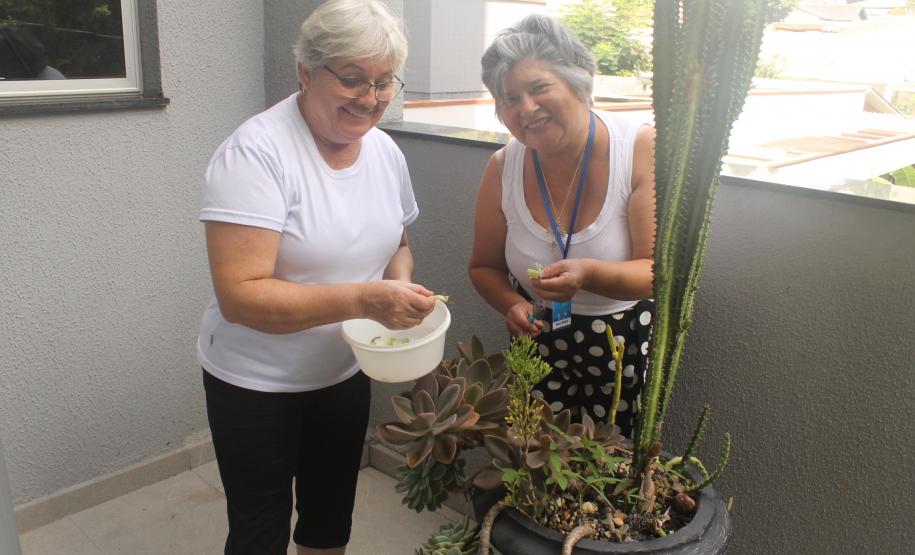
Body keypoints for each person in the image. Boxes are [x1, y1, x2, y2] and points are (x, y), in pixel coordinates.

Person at [196, 1, 435, 554]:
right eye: (352, 78)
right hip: (255, 383)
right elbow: (241, 297)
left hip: (343, 372)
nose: (370, 98)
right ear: (305, 72)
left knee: (330, 520)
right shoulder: (256, 154)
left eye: (384, 82)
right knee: (260, 531)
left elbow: (397, 243)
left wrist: (401, 288)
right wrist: (364, 299)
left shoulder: (384, 151)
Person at [468, 14, 656, 438]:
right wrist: (510, 304)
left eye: (538, 88)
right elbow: (483, 267)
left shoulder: (638, 147)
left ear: (577, 82)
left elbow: (656, 273)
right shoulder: (503, 167)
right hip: (538, 337)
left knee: (613, 470)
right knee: (536, 460)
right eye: (509, 98)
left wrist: (589, 273)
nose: (526, 109)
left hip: (620, 342)